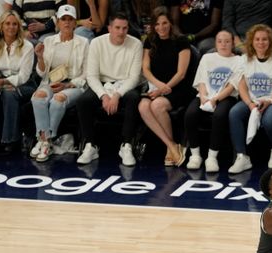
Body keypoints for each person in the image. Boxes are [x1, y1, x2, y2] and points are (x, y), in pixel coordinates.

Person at [76, 12, 144, 166]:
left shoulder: (136, 44)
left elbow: (134, 77)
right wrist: (104, 96)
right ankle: (90, 145)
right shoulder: (96, 43)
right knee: (83, 101)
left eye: (125, 28)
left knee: (134, 98)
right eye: (117, 28)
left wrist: (117, 95)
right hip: (102, 83)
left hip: (125, 85)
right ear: (109, 28)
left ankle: (126, 145)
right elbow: (91, 76)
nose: (121, 32)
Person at [227, 24, 272, 174]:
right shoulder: (244, 59)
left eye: (264, 39)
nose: (261, 42)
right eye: (257, 39)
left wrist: (269, 100)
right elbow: (242, 84)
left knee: (269, 120)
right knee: (235, 113)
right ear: (251, 41)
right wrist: (249, 104)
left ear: (270, 41)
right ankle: (242, 157)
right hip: (254, 99)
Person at [30, 4, 89, 162]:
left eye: (70, 19)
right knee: (38, 97)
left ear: (75, 23)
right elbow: (42, 73)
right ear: (58, 22)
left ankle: (44, 142)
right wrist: (40, 58)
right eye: (63, 19)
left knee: (58, 99)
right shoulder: (48, 41)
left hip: (74, 85)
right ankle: (45, 140)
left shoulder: (84, 43)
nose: (67, 23)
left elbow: (87, 73)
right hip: (51, 82)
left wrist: (67, 85)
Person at [138, 6, 192, 167]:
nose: (161, 28)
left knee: (157, 106)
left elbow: (181, 73)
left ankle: (172, 148)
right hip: (157, 86)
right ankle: (171, 146)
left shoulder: (181, 41)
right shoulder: (150, 41)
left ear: (170, 23)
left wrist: (164, 88)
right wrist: (159, 87)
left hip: (178, 88)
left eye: (164, 23)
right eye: (157, 24)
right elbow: (145, 69)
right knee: (142, 106)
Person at [183, 29, 239, 172]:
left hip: (226, 97)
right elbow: (201, 80)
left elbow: (232, 86)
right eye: (220, 41)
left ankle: (212, 157)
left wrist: (215, 99)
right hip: (205, 95)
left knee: (219, 116)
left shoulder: (239, 61)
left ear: (233, 43)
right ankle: (195, 155)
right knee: (190, 114)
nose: (223, 44)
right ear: (215, 43)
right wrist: (203, 96)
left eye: (227, 41)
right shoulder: (207, 58)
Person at [0, 9, 35, 155]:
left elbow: (24, 76)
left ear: (19, 27)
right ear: (1, 26)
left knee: (8, 93)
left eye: (14, 24)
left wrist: (3, 82)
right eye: (7, 24)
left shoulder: (27, 46)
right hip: (1, 82)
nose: (11, 27)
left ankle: (11, 140)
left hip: (26, 85)